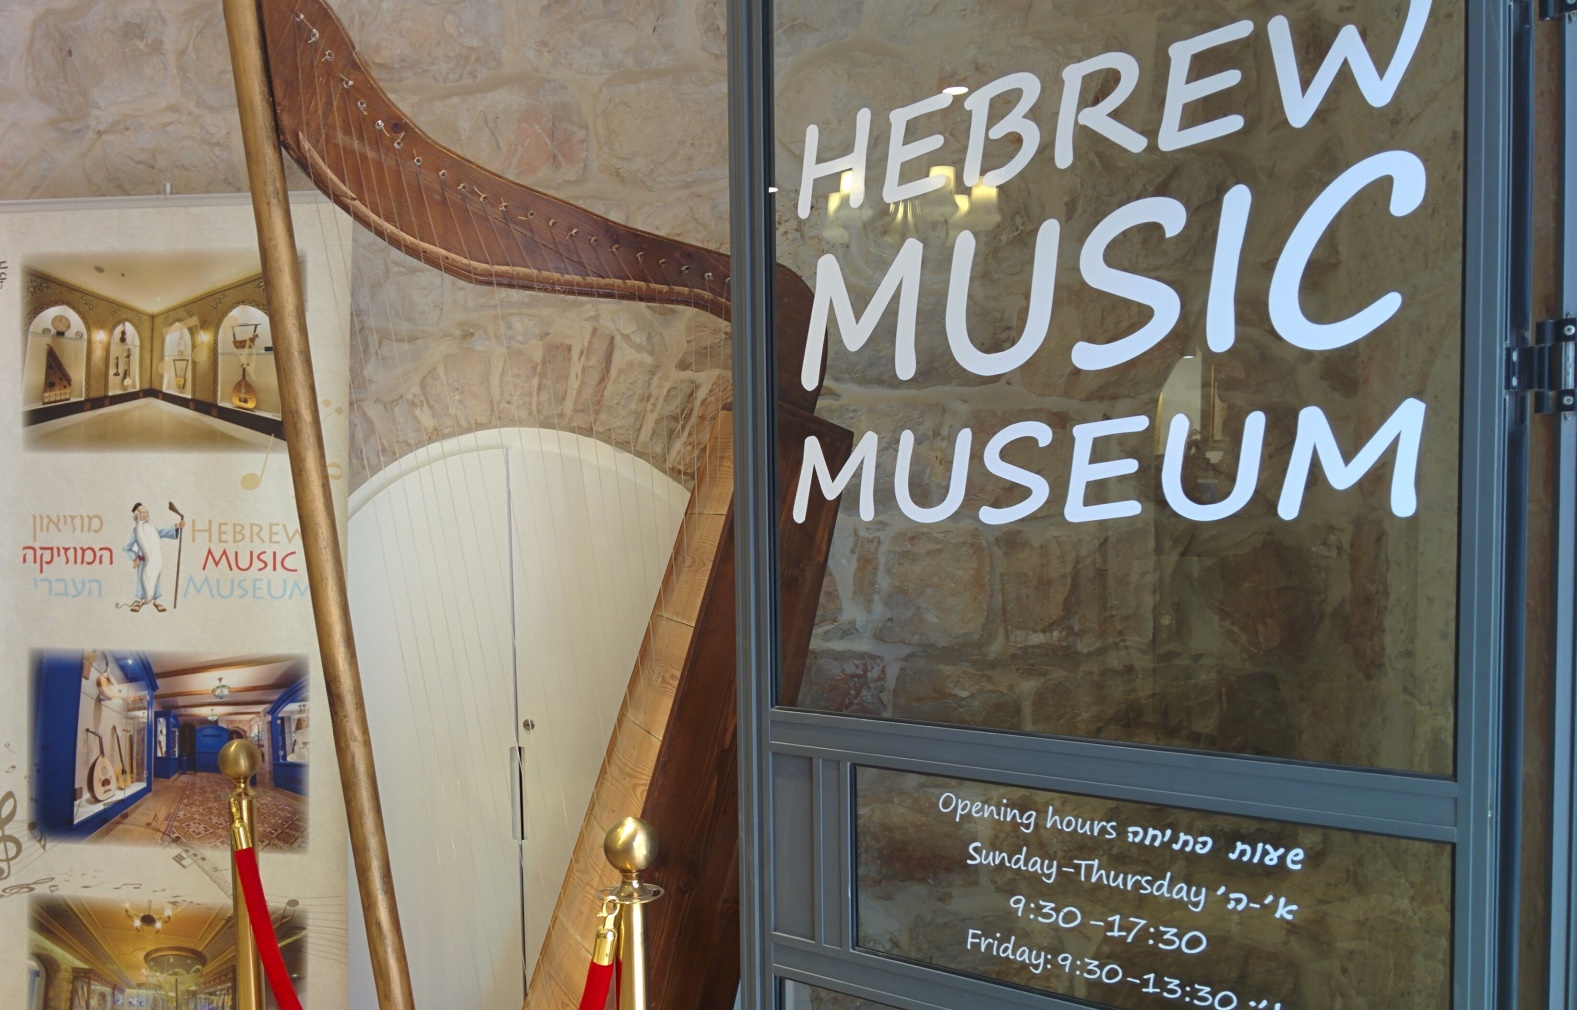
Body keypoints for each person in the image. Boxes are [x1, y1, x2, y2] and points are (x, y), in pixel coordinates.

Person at [123, 503, 183, 612]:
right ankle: (141, 600)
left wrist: (176, 527)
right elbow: (126, 547)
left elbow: (161, 532)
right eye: (143, 513)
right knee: (143, 580)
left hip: (155, 560)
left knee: (155, 579)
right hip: (143, 562)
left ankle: (156, 601)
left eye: (146, 512)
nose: (145, 515)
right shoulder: (136, 532)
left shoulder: (151, 528)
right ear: (137, 516)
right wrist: (134, 557)